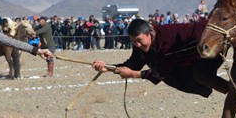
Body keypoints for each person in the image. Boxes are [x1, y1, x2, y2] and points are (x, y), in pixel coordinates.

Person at [92, 18, 228, 97]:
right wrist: (107, 68)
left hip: (214, 42)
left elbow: (162, 71)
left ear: (149, 34)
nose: (137, 45)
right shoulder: (140, 45)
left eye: (139, 40)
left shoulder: (166, 40)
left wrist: (134, 74)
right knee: (175, 76)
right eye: (133, 42)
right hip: (187, 58)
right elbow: (132, 64)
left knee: (200, 74)